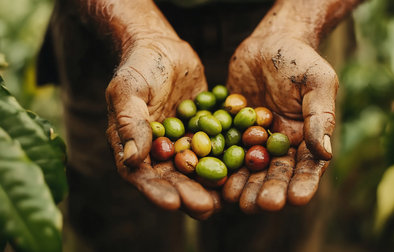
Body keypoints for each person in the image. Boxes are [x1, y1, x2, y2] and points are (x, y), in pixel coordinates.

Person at [38, 0, 362, 251]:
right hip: (112, 25)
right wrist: (139, 31)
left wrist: (297, 24)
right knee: (115, 227)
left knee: (278, 237)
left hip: (289, 19)